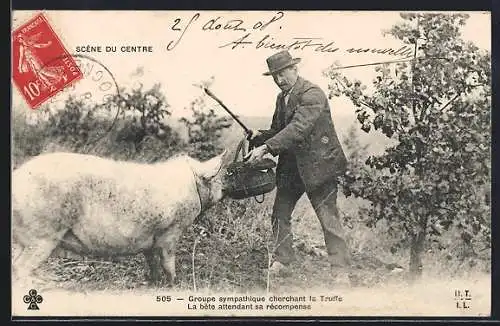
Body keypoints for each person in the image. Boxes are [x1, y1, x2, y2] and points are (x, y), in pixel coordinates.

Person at [246, 50, 351, 282]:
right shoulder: (281, 98)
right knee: (279, 214)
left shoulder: (313, 94)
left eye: (282, 74)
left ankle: (341, 271)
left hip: (319, 167)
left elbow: (298, 129)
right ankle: (283, 261)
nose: (279, 80)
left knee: (328, 219)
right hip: (292, 168)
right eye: (275, 76)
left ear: (295, 69)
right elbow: (280, 130)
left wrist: (266, 148)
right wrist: (261, 136)